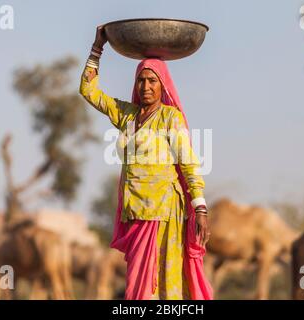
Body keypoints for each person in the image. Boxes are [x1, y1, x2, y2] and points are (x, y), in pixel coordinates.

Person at [79, 25, 213, 300]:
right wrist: (97, 48)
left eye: (152, 81)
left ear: (162, 85)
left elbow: (188, 163)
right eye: (142, 80)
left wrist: (200, 207)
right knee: (138, 286)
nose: (146, 86)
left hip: (165, 211)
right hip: (135, 209)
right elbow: (88, 90)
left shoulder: (170, 118)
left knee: (163, 283)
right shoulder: (127, 115)